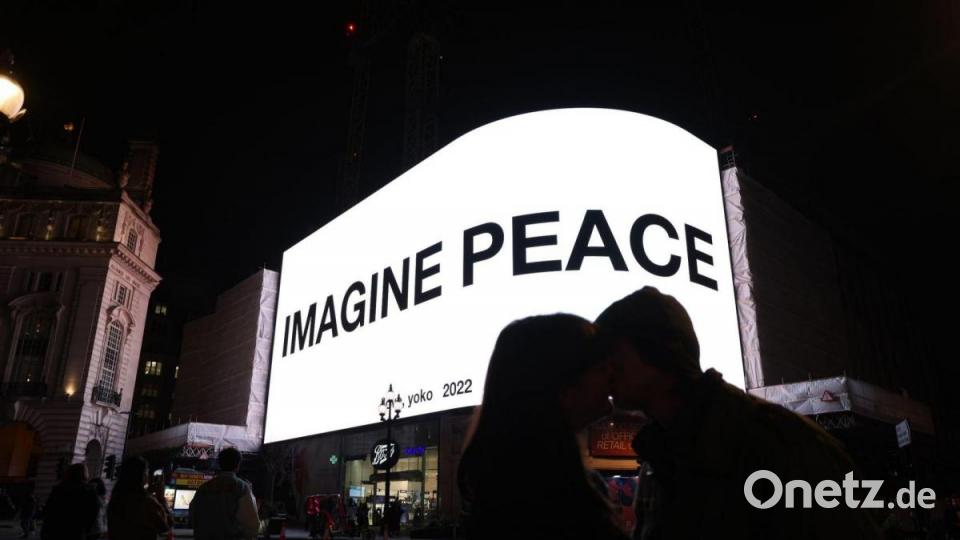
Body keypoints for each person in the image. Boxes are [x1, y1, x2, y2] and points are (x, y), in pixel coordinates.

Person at [594, 286, 882, 540]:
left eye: (614, 354)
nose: (604, 368)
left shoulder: (777, 440)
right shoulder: (657, 457)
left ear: (659, 350)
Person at [457, 314, 627, 540]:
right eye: (600, 367)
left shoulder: (501, 488)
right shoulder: (555, 501)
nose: (611, 374)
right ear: (565, 387)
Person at [190, 447, 260, 540]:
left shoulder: (204, 488)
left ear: (219, 463)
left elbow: (192, 514)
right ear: (238, 465)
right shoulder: (241, 487)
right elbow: (251, 524)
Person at [106, 456, 171, 540]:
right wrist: (161, 498)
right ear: (141, 475)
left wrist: (148, 492)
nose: (148, 475)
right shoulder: (146, 502)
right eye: (147, 471)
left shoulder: (117, 497)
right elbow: (166, 524)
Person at [40, 463, 100, 540]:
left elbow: (49, 509)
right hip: (75, 531)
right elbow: (93, 513)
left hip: (53, 529)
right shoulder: (89, 491)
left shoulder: (59, 489)